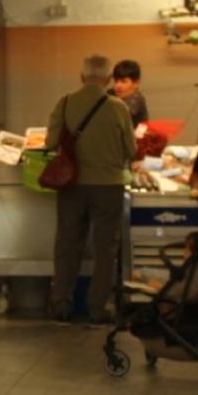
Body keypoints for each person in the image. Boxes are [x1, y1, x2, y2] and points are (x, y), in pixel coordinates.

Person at [47, 54, 136, 327]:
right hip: (108, 185)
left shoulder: (65, 103)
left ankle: (62, 303)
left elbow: (51, 142)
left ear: (82, 76)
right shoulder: (118, 108)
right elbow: (131, 150)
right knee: (105, 248)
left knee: (67, 244)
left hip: (73, 185)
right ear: (108, 78)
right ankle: (98, 308)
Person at [110, 59, 149, 128]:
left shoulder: (136, 99)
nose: (118, 86)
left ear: (136, 83)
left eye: (123, 81)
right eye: (116, 81)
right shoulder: (110, 93)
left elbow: (121, 114)